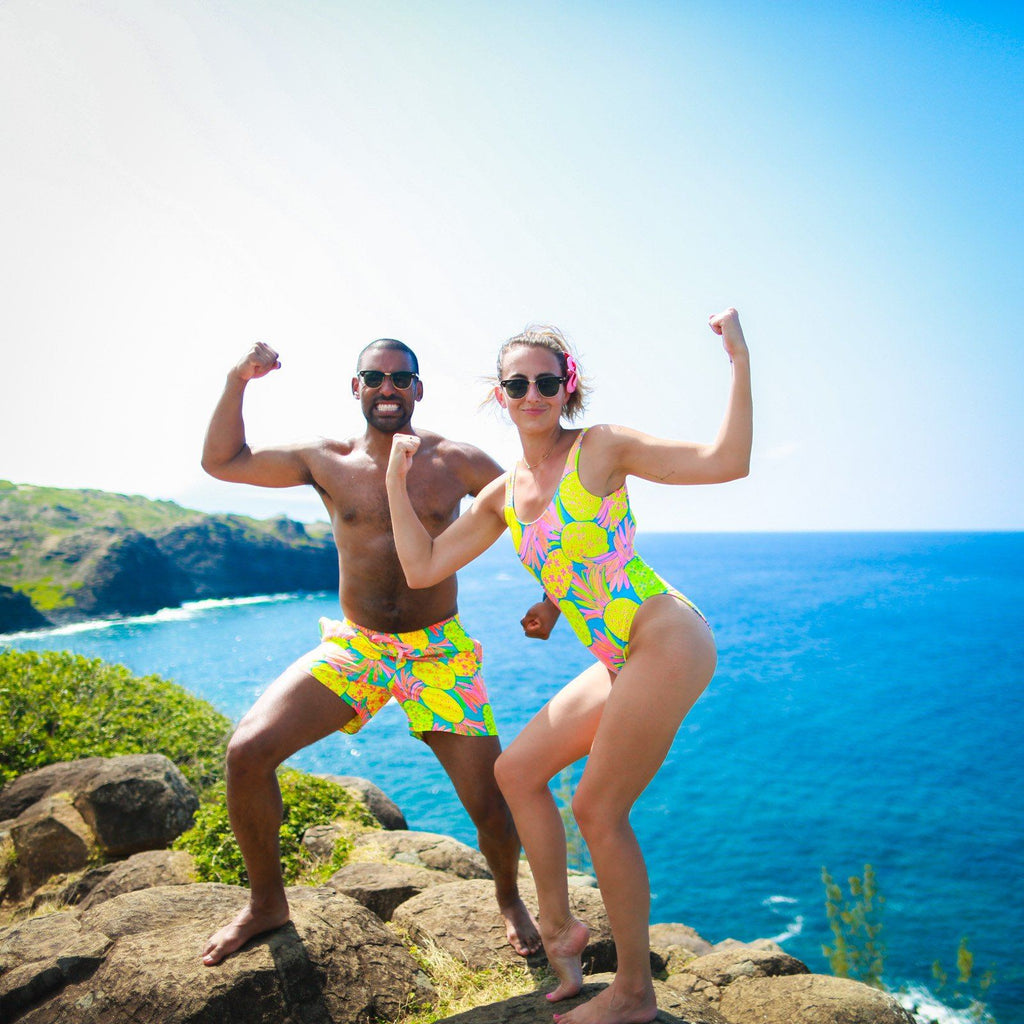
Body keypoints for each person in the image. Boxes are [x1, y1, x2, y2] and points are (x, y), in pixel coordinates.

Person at [385, 309, 752, 1024]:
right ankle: (561, 931)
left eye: (545, 381)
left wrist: (738, 358)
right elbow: (422, 564)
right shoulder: (502, 494)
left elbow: (726, 462)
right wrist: (396, 480)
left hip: (665, 636)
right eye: (516, 383)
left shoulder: (602, 448)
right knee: (515, 772)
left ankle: (634, 994)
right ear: (500, 393)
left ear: (567, 387)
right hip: (619, 655)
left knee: (596, 808)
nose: (531, 394)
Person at [199, 337, 543, 966]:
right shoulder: (325, 460)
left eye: (399, 378)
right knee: (247, 752)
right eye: (374, 377)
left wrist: (551, 596)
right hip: (357, 646)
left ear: (418, 388)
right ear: (355, 388)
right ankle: (266, 904)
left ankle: (508, 898)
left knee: (491, 805)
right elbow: (223, 461)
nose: (387, 388)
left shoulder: (459, 461)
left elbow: (536, 517)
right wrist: (237, 379)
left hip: (438, 651)